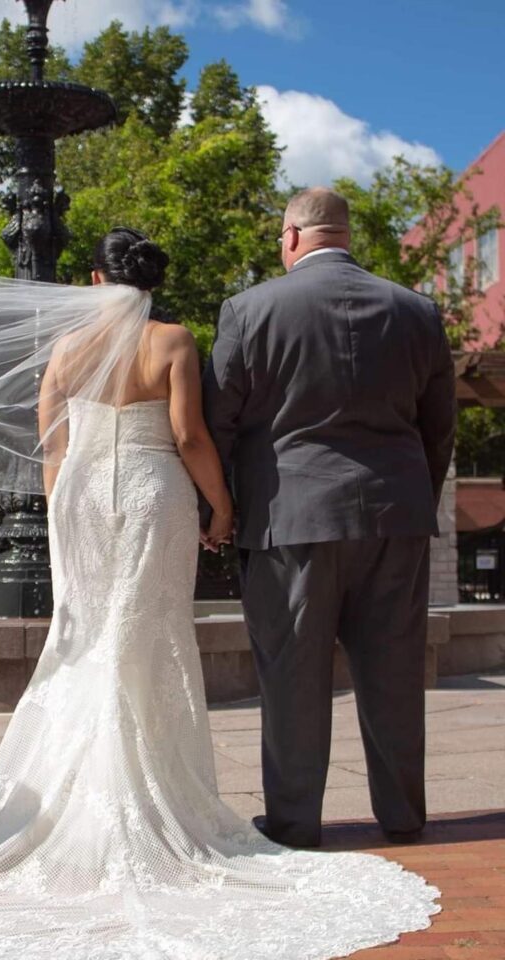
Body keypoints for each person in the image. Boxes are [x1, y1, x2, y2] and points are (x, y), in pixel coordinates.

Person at [0, 227, 440, 960]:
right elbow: (188, 435)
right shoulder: (174, 341)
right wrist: (222, 506)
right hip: (152, 495)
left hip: (79, 496)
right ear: (153, 284)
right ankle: (154, 797)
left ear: (92, 280)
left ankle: (65, 805)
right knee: (145, 638)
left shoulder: (68, 348)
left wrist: (60, 510)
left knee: (84, 639)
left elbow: (51, 437)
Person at [203, 189, 457, 850]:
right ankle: (403, 816)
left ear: (290, 237)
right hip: (394, 516)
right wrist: (411, 500)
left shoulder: (249, 310)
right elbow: (440, 431)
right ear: (344, 234)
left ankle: (294, 823)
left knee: (291, 676)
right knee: (396, 675)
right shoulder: (417, 311)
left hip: (290, 518)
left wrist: (223, 510)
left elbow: (217, 425)